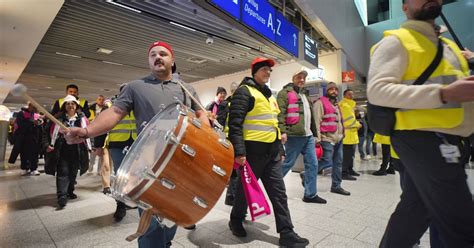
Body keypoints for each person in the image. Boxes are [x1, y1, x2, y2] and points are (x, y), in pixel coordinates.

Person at [64, 41, 208, 248]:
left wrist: (204, 133)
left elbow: (201, 112)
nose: (158, 57)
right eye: (153, 55)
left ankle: (165, 243)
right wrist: (87, 131)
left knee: (173, 212)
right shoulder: (135, 87)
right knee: (150, 218)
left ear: (172, 60)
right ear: (148, 61)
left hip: (181, 162)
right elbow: (114, 113)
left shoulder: (186, 88)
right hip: (148, 162)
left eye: (163, 54)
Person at [367, 0, 474, 246]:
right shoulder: (396, 41)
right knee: (461, 222)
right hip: (422, 137)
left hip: (450, 138)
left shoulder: (449, 47)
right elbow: (378, 91)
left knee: (414, 212)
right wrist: (444, 93)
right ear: (404, 7)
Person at [227, 57, 309, 247]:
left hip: (271, 154)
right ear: (254, 71)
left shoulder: (270, 96)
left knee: (279, 193)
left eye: (269, 70)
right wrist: (239, 152)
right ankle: (236, 219)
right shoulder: (244, 92)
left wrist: (279, 148)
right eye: (264, 69)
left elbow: (274, 125)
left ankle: (287, 233)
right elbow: (235, 125)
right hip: (251, 154)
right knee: (245, 192)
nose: (268, 73)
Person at [277, 68, 326, 204]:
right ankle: (273, 187)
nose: (302, 80)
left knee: (313, 164)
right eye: (299, 77)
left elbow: (310, 118)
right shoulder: (284, 93)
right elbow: (280, 113)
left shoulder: (305, 95)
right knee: (288, 163)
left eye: (304, 77)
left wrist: (315, 135)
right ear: (293, 78)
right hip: (294, 136)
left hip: (308, 136)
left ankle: (310, 194)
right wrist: (282, 131)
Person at [44, 95, 91, 208]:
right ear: (64, 106)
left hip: (77, 150)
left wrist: (90, 146)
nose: (70, 105)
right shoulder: (57, 119)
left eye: (73, 103)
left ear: (77, 106)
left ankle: (69, 191)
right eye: (68, 103)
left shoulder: (83, 120)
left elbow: (89, 133)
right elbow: (45, 133)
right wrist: (47, 145)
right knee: (63, 171)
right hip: (61, 150)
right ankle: (62, 196)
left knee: (73, 172)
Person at [313, 82, 351, 196]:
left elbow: (339, 121)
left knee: (338, 163)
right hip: (326, 138)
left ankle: (336, 186)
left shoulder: (337, 105)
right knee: (326, 160)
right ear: (327, 91)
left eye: (335, 89)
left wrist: (342, 134)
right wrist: (318, 138)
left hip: (338, 138)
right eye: (331, 89)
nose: (334, 91)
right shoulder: (320, 103)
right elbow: (316, 121)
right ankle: (307, 173)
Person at [107, 85, 137, 222]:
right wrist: (97, 145)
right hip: (118, 143)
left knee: (136, 174)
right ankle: (120, 205)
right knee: (120, 175)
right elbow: (103, 123)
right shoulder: (112, 106)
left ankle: (132, 199)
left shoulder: (139, 105)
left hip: (137, 143)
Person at [8, 102, 42, 175]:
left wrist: (39, 122)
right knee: (24, 154)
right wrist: (32, 122)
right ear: (29, 106)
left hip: (34, 138)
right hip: (23, 138)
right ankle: (25, 168)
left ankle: (34, 168)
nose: (34, 109)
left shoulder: (36, 115)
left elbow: (39, 126)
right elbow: (21, 124)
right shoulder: (22, 113)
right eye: (33, 107)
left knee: (34, 154)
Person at [88, 95, 112, 194]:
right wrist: (98, 146)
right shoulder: (105, 111)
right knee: (106, 165)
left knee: (111, 165)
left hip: (117, 142)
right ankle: (106, 186)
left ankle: (112, 183)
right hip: (105, 143)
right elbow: (99, 129)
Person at [340, 89, 361, 180]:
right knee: (347, 155)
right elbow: (348, 121)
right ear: (344, 95)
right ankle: (344, 173)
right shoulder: (345, 105)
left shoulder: (350, 105)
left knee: (351, 154)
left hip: (352, 134)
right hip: (347, 134)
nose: (351, 96)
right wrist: (358, 124)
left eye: (352, 94)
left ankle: (350, 169)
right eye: (349, 94)